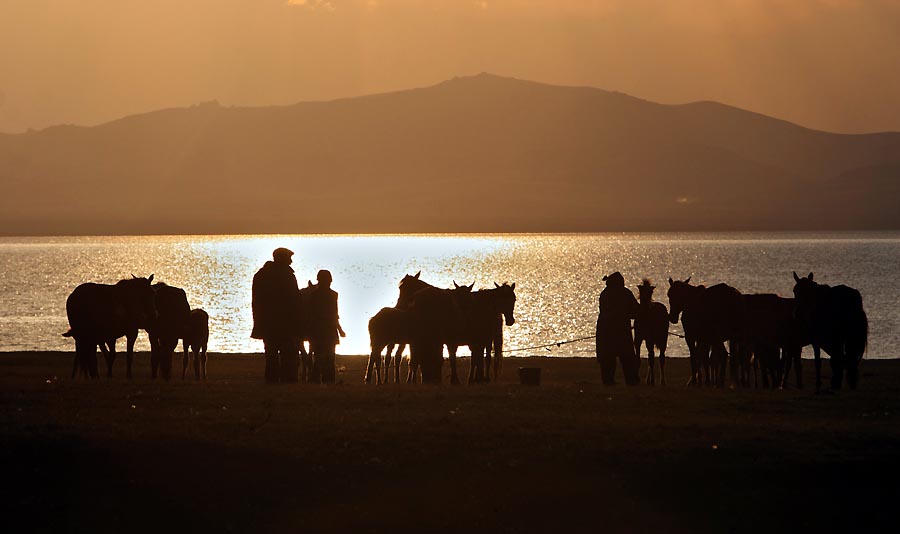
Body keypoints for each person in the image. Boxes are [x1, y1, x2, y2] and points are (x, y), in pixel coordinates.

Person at [251, 247, 302, 383]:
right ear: (282, 259)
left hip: (267, 323)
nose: (291, 261)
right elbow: (294, 300)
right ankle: (288, 380)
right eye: (289, 258)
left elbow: (256, 302)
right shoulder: (287, 276)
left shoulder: (261, 275)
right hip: (285, 323)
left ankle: (272, 379)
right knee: (288, 354)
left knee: (271, 353)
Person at [595, 271, 640, 386]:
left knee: (607, 359)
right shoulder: (625, 293)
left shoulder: (604, 294)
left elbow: (604, 311)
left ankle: (608, 382)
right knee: (627, 358)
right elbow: (635, 311)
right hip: (622, 331)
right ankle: (631, 382)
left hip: (605, 330)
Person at [307, 269, 346, 384]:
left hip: (318, 330)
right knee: (328, 357)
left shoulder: (314, 295)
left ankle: (316, 381)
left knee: (319, 357)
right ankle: (327, 381)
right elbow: (334, 314)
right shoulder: (332, 295)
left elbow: (333, 314)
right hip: (327, 330)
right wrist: (340, 329)